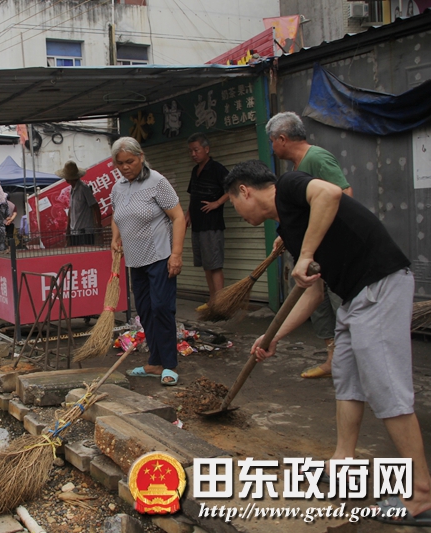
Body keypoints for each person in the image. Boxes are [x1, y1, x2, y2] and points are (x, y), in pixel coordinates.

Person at [225, 159, 431, 522]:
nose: (237, 213)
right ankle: (342, 463)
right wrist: (273, 335)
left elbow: (330, 192)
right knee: (348, 382)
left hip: (379, 283)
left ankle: (422, 495)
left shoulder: (288, 186)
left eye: (233, 204)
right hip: (354, 298)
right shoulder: (290, 228)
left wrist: (304, 255)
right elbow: (312, 293)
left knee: (387, 387)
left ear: (245, 191)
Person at [267, 111, 352, 379]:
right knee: (320, 305)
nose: (272, 146)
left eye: (272, 141)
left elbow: (344, 196)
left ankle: (351, 362)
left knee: (341, 304)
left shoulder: (317, 158)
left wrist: (316, 241)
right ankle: (332, 358)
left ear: (282, 138)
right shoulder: (299, 166)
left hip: (332, 251)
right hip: (313, 253)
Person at [110, 137, 186, 386]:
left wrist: (176, 254)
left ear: (141, 157)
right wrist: (116, 237)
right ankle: (154, 362)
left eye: (129, 161)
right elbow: (117, 215)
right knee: (145, 311)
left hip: (160, 256)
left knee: (162, 307)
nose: (124, 167)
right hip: (135, 260)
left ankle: (170, 364)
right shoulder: (118, 187)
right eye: (119, 163)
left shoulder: (157, 182)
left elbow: (178, 217)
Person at [185, 133, 229, 307]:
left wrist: (217, 203)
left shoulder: (217, 169)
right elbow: (193, 195)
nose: (193, 154)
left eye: (196, 150)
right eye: (191, 151)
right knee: (206, 264)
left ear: (206, 149)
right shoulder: (195, 171)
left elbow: (233, 188)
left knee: (215, 264)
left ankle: (221, 302)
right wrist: (188, 215)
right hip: (198, 224)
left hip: (212, 224)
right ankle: (213, 300)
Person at [58, 160, 100, 246]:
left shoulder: (83, 188)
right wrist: (68, 229)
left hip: (85, 232)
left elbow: (95, 205)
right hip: (75, 232)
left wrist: (98, 224)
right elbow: (70, 210)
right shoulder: (72, 190)